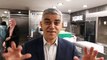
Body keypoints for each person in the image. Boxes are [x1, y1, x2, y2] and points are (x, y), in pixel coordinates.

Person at [2, 8, 104, 60]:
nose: (52, 26)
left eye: (56, 22)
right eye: (47, 22)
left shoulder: (71, 48)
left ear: (61, 26)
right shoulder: (28, 47)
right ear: (41, 24)